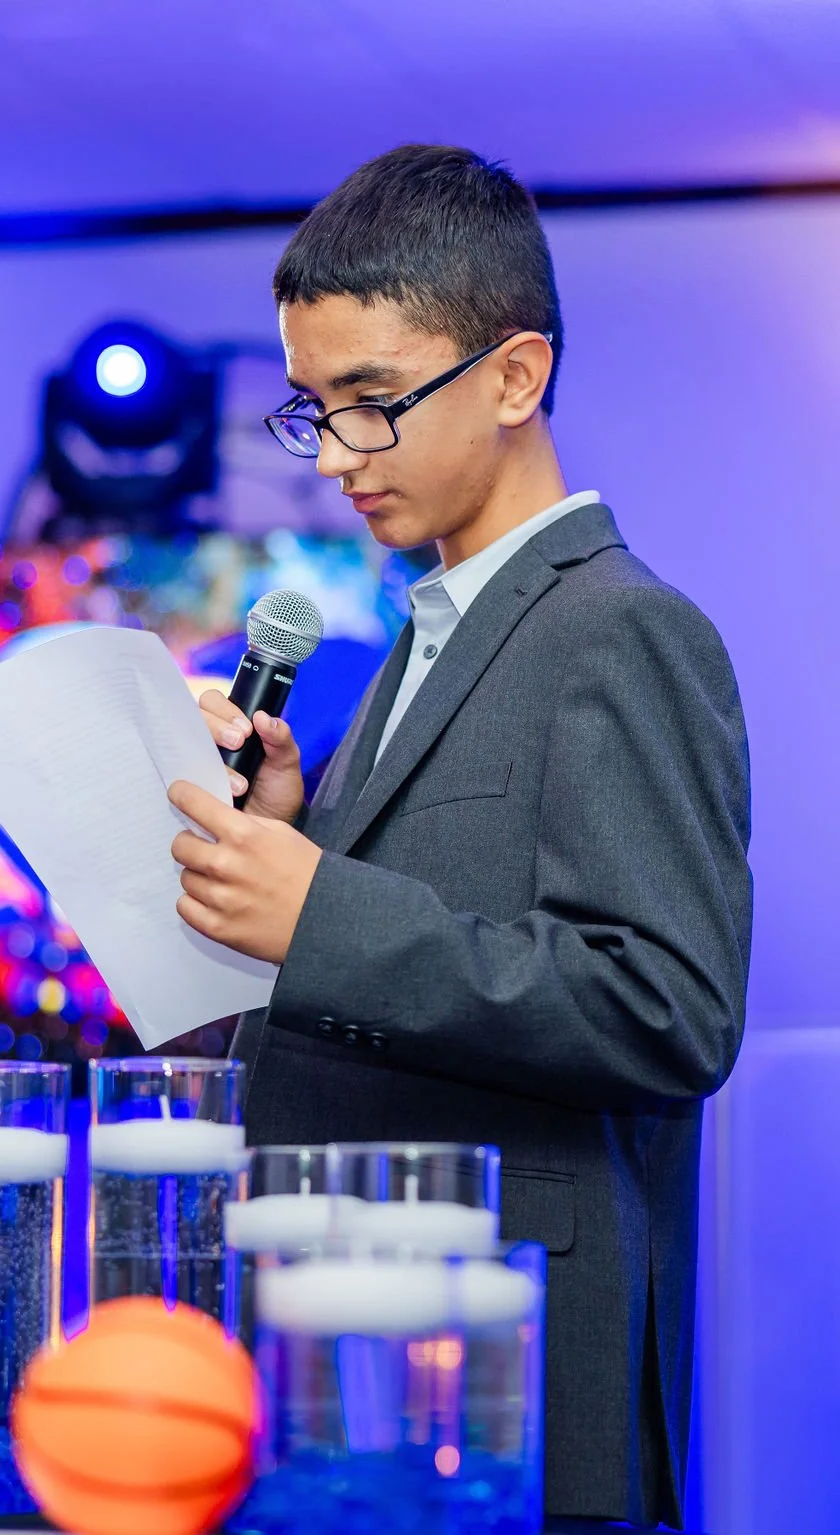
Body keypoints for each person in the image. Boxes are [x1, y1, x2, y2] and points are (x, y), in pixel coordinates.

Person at [167, 144, 752, 1530]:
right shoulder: (431, 628)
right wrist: (295, 839)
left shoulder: (621, 629)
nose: (338, 460)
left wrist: (323, 914)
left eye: (373, 404)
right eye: (312, 413)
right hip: (370, 1362)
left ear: (514, 376)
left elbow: (668, 1009)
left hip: (517, 1382)